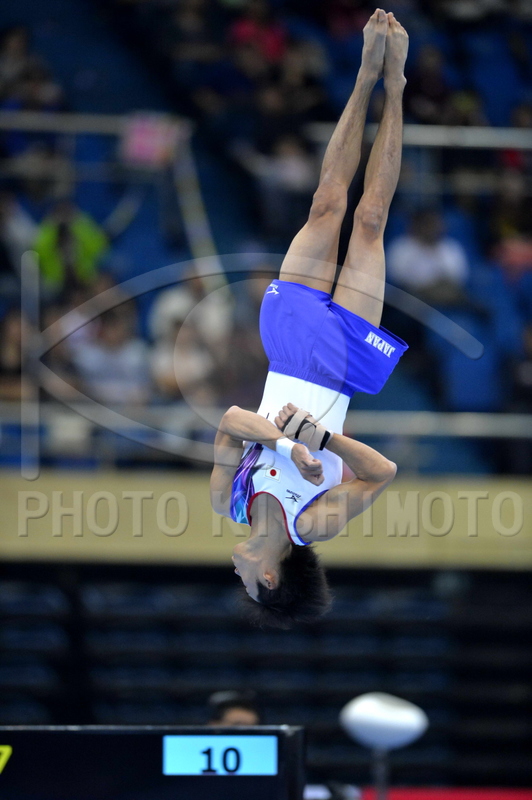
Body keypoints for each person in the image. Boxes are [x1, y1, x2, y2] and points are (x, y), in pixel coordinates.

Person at [210, 10, 409, 628]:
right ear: (270, 580)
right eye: (248, 586)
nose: (238, 575)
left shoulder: (229, 500)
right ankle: (395, 86)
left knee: (326, 205)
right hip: (338, 367)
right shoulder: (313, 522)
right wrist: (320, 442)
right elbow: (381, 474)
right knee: (369, 222)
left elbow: (230, 420)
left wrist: (284, 443)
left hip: (288, 348)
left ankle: (363, 75)